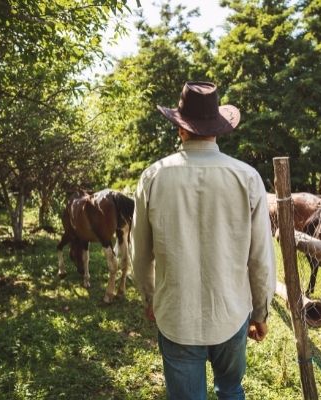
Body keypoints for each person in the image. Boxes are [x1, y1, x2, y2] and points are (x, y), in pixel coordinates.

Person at [131, 81, 276, 400]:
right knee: (231, 390)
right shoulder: (247, 177)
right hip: (231, 312)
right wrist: (261, 313)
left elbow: (140, 254)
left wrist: (150, 297)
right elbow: (261, 258)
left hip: (175, 316)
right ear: (218, 130)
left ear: (181, 129)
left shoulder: (153, 177)